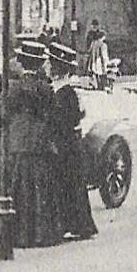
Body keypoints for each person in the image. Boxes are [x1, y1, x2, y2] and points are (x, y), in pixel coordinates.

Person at [0, 39, 71, 248]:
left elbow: (2, 114)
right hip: (39, 143)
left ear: (22, 63)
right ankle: (38, 233)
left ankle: (9, 232)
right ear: (39, 64)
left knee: (12, 185)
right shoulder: (46, 89)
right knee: (39, 188)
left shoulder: (13, 88)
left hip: (15, 142)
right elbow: (53, 117)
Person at [45, 40, 98, 241]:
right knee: (67, 186)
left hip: (66, 146)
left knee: (68, 185)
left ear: (59, 68)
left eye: (50, 64)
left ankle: (75, 225)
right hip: (65, 144)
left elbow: (66, 120)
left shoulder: (66, 93)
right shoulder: (59, 90)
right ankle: (71, 224)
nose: (47, 67)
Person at [86, 25, 112, 92]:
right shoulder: (103, 45)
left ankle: (98, 85)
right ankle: (103, 86)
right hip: (100, 61)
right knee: (102, 74)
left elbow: (89, 51)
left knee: (96, 74)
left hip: (93, 61)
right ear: (102, 37)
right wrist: (108, 62)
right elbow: (104, 55)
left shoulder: (93, 43)